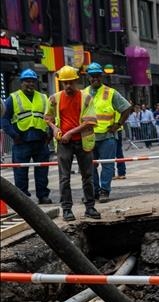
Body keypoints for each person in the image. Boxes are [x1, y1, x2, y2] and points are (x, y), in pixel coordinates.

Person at [44, 65, 100, 221]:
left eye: (71, 82)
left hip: (82, 142)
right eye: (65, 83)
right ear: (61, 83)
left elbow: (90, 121)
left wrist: (69, 133)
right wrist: (54, 128)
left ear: (76, 81)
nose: (68, 86)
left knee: (87, 176)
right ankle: (67, 209)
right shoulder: (54, 98)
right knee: (64, 178)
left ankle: (90, 207)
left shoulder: (86, 98)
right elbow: (48, 117)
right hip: (64, 143)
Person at [82, 62, 131, 203]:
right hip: (89, 136)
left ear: (101, 76)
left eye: (97, 76)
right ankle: (94, 191)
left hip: (107, 136)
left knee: (107, 165)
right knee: (90, 166)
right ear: (88, 77)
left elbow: (126, 108)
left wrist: (118, 124)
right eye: (92, 76)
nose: (95, 79)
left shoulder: (110, 93)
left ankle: (104, 190)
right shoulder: (83, 93)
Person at [1, 68, 52, 204]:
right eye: (27, 81)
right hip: (21, 141)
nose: (30, 84)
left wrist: (50, 135)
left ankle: (43, 196)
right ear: (21, 82)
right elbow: (4, 119)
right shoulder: (13, 98)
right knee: (20, 173)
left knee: (42, 172)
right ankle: (23, 200)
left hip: (40, 141)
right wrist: (14, 135)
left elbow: (50, 117)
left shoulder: (43, 98)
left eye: (32, 81)